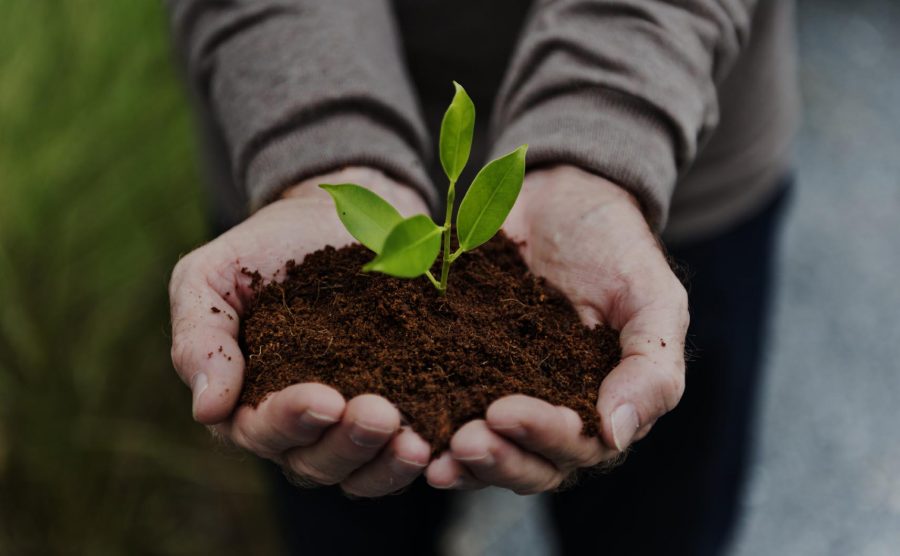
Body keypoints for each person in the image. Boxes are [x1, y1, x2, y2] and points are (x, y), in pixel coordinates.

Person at [165, 0, 797, 554]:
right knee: (344, 509)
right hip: (284, 147)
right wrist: (316, 135)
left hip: (666, 141)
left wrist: (607, 127)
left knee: (658, 522)